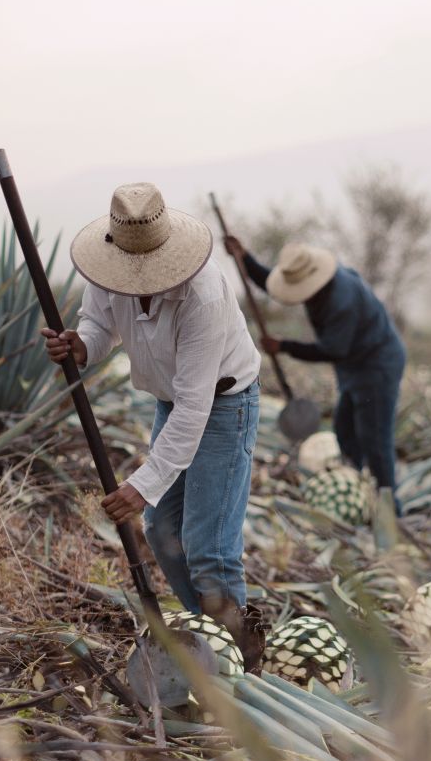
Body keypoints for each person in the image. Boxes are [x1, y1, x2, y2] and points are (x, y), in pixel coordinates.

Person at [43, 183, 266, 670]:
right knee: (162, 530)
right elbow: (99, 324)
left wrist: (142, 484)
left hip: (224, 405)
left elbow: (195, 407)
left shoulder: (202, 294)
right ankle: (208, 642)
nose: (139, 279)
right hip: (173, 401)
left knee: (209, 548)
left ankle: (242, 662)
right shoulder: (108, 267)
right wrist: (80, 346)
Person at [223, 236, 406, 509]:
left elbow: (333, 349)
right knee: (344, 428)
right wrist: (244, 258)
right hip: (354, 365)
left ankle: (392, 512)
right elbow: (274, 284)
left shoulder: (341, 300)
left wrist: (284, 345)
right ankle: (357, 489)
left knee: (375, 439)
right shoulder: (320, 282)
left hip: (377, 364)